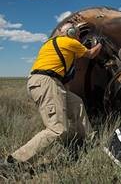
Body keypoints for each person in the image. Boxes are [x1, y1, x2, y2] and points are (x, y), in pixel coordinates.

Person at [1, 22, 102, 167]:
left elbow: (62, 34)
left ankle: (90, 140)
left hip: (46, 82)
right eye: (75, 32)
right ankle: (14, 161)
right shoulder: (70, 42)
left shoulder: (50, 42)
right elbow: (91, 54)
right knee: (57, 129)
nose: (77, 35)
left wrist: (73, 28)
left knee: (77, 103)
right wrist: (99, 43)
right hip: (48, 82)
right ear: (71, 33)